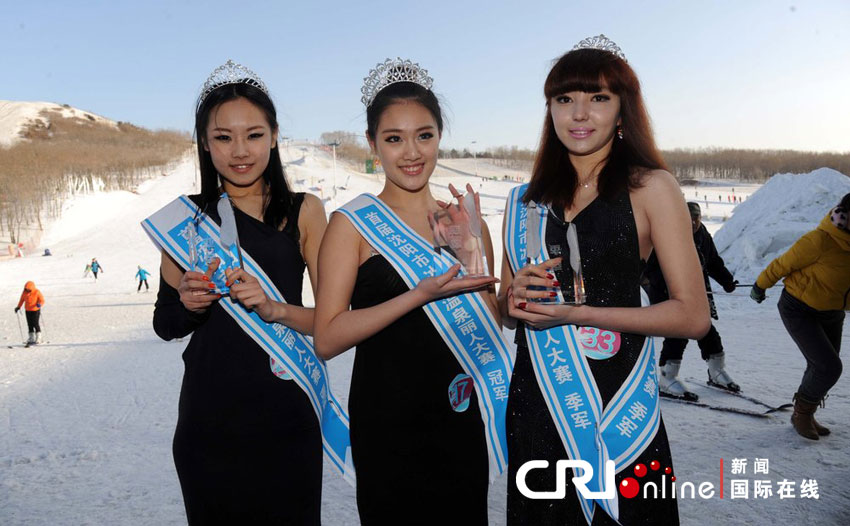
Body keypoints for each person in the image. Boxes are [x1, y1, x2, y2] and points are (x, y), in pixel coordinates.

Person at [499, 36, 710, 525]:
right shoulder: (523, 201)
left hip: (622, 407)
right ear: (549, 110)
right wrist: (511, 298)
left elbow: (693, 315)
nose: (579, 113)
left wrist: (580, 314)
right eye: (565, 99)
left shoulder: (651, 187)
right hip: (539, 402)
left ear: (622, 111)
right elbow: (506, 315)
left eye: (598, 98)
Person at [314, 58, 504, 525]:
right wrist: (416, 295)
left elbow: (490, 322)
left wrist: (471, 252)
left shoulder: (465, 220)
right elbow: (328, 338)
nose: (411, 152)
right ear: (373, 144)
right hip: (386, 420)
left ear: (440, 136)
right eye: (394, 138)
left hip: (458, 415)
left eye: (424, 135)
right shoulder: (351, 224)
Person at [151, 60, 327, 524]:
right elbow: (165, 324)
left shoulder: (305, 212)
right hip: (208, 425)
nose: (239, 151)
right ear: (205, 144)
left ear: (274, 135)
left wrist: (276, 309)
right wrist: (188, 307)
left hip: (288, 418)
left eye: (253, 134)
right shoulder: (186, 221)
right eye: (223, 137)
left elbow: (332, 323)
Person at [750, 193, 850, 441]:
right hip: (799, 308)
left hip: (832, 313)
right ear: (846, 216)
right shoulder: (820, 240)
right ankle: (801, 414)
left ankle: (807, 412)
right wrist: (760, 286)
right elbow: (783, 264)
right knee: (828, 367)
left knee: (820, 366)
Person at [645, 201, 739, 400]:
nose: (693, 223)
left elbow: (712, 260)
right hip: (668, 293)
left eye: (696, 218)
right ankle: (667, 377)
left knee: (705, 328)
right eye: (689, 219)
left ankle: (716, 371)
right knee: (678, 332)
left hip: (696, 292)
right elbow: (648, 266)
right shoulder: (664, 234)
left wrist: (726, 281)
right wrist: (664, 284)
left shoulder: (702, 234)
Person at [15, 281, 45, 346]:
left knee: (35, 323)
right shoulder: (24, 292)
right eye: (26, 289)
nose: (27, 290)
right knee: (29, 324)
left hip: (35, 310)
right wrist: (18, 307)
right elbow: (21, 300)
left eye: (28, 289)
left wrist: (39, 304)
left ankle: (38, 337)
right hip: (28, 310)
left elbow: (42, 300)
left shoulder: (37, 292)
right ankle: (31, 338)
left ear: (32, 288)